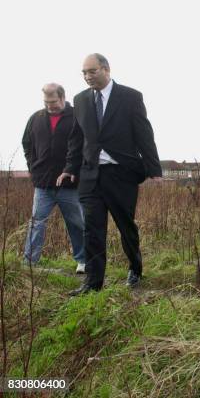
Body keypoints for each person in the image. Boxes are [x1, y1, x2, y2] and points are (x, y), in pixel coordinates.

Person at [57, 54, 162, 296]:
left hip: (121, 174)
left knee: (126, 226)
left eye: (92, 71)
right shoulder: (81, 100)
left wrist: (154, 169)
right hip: (90, 175)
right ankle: (93, 284)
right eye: (83, 73)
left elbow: (144, 134)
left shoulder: (130, 97)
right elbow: (76, 138)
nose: (87, 77)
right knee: (92, 230)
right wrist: (69, 168)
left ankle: (135, 268)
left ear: (106, 69)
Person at [22, 83, 86, 273]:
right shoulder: (36, 118)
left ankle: (83, 261)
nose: (50, 106)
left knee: (76, 223)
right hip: (42, 184)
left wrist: (77, 169)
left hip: (70, 185)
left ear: (63, 97)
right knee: (37, 222)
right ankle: (30, 263)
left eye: (53, 101)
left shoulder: (77, 115)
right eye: (46, 102)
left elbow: (85, 144)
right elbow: (26, 143)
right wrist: (32, 167)